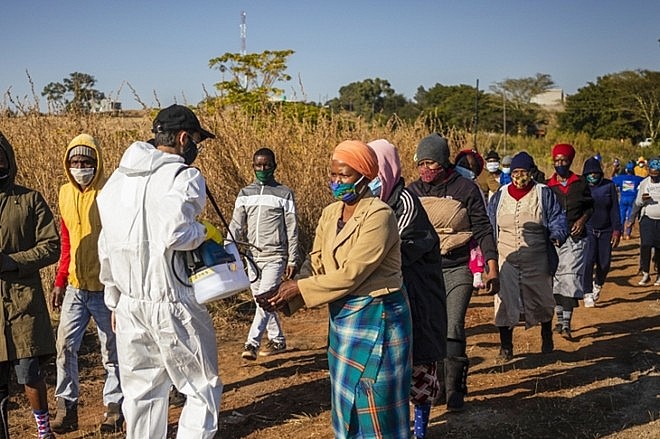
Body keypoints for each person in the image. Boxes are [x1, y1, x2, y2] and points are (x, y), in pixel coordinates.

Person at [262, 140, 412, 439]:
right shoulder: (331, 213)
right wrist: (281, 295)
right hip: (344, 317)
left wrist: (299, 289)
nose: (336, 182)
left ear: (365, 175)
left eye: (343, 175)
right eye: (332, 175)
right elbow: (316, 260)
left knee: (375, 397)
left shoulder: (379, 215)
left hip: (378, 317)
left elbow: (352, 274)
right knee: (347, 399)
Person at [97, 105, 223, 438]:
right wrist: (205, 231)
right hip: (172, 301)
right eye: (196, 139)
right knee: (200, 386)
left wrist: (114, 299)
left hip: (128, 305)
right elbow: (176, 233)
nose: (196, 146)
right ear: (184, 138)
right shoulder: (183, 176)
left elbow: (105, 244)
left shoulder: (116, 180)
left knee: (142, 394)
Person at [407, 133, 499, 411]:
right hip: (423, 273)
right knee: (430, 329)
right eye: (421, 163)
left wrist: (492, 267)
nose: (425, 169)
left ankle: (456, 388)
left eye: (431, 163)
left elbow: (482, 228)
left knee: (453, 325)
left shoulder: (465, 189)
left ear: (444, 162)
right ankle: (439, 388)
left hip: (456, 267)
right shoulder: (413, 192)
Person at [368, 139, 446, 439]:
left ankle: (421, 430)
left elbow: (386, 252)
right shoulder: (374, 205)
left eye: (375, 171)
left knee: (419, 371)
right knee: (390, 371)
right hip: (390, 298)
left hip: (418, 299)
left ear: (387, 170)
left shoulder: (406, 205)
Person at [49, 134, 123, 434]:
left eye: (87, 162)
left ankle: (115, 408)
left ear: (97, 163)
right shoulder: (64, 192)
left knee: (112, 351)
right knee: (65, 345)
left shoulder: (110, 192)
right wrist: (59, 279)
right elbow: (67, 241)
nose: (80, 167)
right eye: (75, 162)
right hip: (76, 287)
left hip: (106, 287)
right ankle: (66, 407)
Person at [0, 131, 61, 439]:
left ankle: (43, 430)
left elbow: (52, 246)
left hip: (23, 303)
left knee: (29, 373)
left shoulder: (29, 199)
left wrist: (12, 261)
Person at [488, 152, 567, 360]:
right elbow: (490, 225)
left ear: (531, 172)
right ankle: (506, 346)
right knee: (504, 300)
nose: (519, 176)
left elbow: (558, 218)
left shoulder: (544, 193)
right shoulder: (500, 195)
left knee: (541, 297)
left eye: (523, 172)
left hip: (537, 256)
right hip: (506, 256)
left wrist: (557, 235)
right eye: (515, 172)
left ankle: (546, 335)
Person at [229, 147, 299, 360]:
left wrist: (292, 257)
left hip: (275, 255)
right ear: (253, 167)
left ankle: (252, 343)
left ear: (274, 166)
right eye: (258, 165)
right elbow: (236, 225)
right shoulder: (245, 194)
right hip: (252, 257)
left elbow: (292, 228)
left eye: (267, 165)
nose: (262, 169)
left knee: (266, 298)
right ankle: (277, 340)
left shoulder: (284, 194)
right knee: (262, 301)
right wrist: (227, 249)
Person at [546, 143, 594, 338]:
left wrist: (582, 220)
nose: (560, 164)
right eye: (556, 161)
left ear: (570, 161)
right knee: (556, 278)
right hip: (555, 238)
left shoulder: (580, 183)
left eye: (563, 160)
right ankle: (559, 319)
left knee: (570, 278)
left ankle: (566, 323)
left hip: (576, 237)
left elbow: (590, 207)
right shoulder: (548, 186)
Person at [581, 157, 622, 307]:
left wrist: (617, 230)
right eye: (589, 173)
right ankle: (587, 292)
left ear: (600, 173)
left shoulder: (609, 186)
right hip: (589, 229)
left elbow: (614, 210)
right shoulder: (582, 186)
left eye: (595, 173)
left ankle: (597, 284)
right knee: (588, 260)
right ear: (585, 174)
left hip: (606, 230)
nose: (593, 176)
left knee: (604, 263)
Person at [630, 156, 660, 286]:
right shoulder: (644, 184)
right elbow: (637, 203)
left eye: (657, 174)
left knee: (659, 248)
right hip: (647, 218)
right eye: (652, 173)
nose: (654, 176)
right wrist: (631, 219)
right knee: (646, 245)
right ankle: (646, 273)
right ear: (649, 172)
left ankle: (659, 274)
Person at [613, 161, 644, 240]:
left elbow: (613, 180)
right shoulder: (637, 178)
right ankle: (628, 234)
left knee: (622, 217)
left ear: (626, 170)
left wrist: (615, 170)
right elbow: (645, 180)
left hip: (623, 199)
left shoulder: (621, 178)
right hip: (632, 199)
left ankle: (620, 234)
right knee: (630, 217)